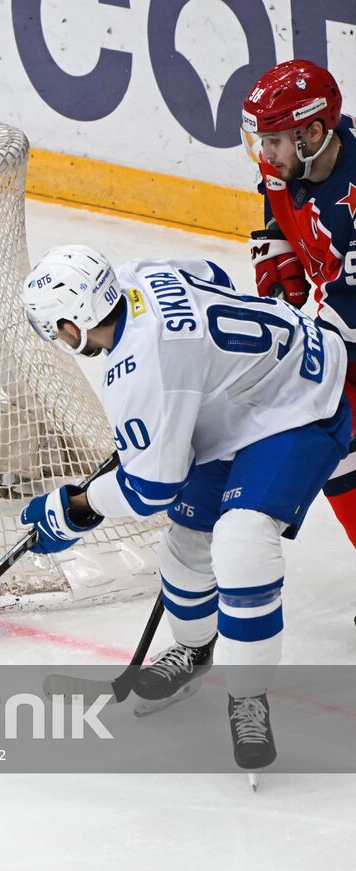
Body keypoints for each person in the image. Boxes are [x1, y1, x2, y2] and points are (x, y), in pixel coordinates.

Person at [18, 244, 350, 770]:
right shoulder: (137, 274)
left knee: (242, 543)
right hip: (244, 393)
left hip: (298, 400)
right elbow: (212, 273)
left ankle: (247, 695)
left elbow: (151, 490)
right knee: (186, 547)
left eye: (54, 327)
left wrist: (73, 509)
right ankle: (195, 651)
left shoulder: (139, 374)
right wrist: (206, 374)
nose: (56, 339)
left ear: (73, 322)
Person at [242, 59, 356, 549]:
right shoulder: (292, 159)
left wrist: (294, 349)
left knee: (322, 413)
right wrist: (278, 250)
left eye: (275, 140)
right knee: (335, 440)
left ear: (312, 131)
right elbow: (277, 195)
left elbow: (347, 312)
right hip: (341, 318)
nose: (266, 153)